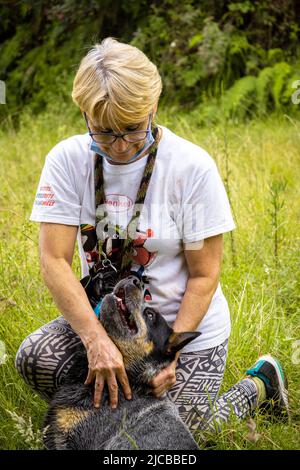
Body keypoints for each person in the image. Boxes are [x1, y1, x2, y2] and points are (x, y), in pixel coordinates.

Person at [15, 37, 289, 439]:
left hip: (172, 332)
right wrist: (95, 341)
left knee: (178, 437)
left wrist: (168, 356)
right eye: (104, 134)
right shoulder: (66, 160)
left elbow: (204, 275)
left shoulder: (191, 168)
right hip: (109, 325)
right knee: (36, 358)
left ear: (153, 108)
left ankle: (259, 385)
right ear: (84, 115)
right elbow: (54, 261)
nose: (121, 146)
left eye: (132, 130)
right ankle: (104, 417)